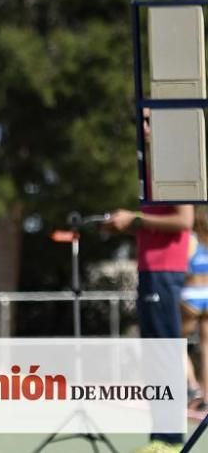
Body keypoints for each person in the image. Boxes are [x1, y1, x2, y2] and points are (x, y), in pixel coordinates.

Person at [103, 107, 193, 451]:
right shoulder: (154, 169)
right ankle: (160, 437)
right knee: (154, 357)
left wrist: (135, 219)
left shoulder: (176, 166)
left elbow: (183, 221)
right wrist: (122, 224)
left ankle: (170, 441)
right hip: (150, 271)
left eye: (149, 120)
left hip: (165, 272)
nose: (142, 127)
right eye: (138, 121)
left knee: (165, 355)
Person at [182, 209, 208, 410]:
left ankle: (192, 386)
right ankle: (206, 396)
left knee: (174, 342)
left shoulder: (190, 240)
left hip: (191, 294)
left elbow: (181, 268)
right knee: (206, 348)